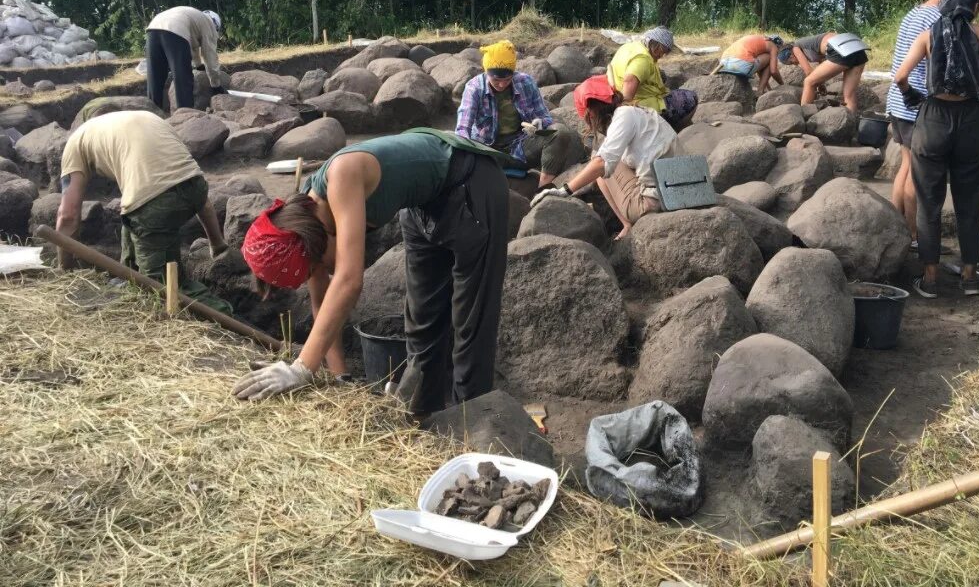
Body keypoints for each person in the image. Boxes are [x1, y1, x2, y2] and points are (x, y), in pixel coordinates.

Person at [233, 128, 510, 413]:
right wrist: (340, 379)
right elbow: (324, 305)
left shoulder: (341, 177)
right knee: (422, 322)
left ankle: (473, 423)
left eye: (315, 266)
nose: (323, 270)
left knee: (471, 320)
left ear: (314, 242)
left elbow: (349, 281)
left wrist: (302, 367)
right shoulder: (304, 219)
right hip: (422, 204)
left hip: (471, 182)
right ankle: (423, 416)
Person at [894, 0, 979, 299]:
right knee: (969, 203)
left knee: (929, 203)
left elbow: (900, 77)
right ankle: (969, 278)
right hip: (970, 121)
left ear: (943, 6)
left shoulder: (927, 36)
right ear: (975, 8)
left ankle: (930, 279)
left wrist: (913, 98)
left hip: (933, 119)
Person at [56, 110, 232, 312]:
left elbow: (68, 215)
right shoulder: (145, 119)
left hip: (153, 202)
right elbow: (195, 190)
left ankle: (226, 321)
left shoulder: (74, 144)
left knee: (161, 290)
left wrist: (65, 272)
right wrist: (217, 243)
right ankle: (128, 281)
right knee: (131, 220)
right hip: (196, 187)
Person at [886, 0, 979, 248]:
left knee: (905, 168)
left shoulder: (915, 12)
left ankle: (896, 231)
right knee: (918, 178)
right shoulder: (937, 19)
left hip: (897, 100)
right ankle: (916, 237)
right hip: (919, 104)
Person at [533, 76, 682, 239]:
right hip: (681, 192)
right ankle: (626, 224)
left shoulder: (623, 116)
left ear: (590, 112)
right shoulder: (639, 111)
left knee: (598, 159)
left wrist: (565, 190)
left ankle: (627, 223)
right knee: (602, 160)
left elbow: (602, 163)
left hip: (651, 203)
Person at [455, 39, 584, 189]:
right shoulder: (474, 88)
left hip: (520, 150)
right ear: (486, 72)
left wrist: (539, 123)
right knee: (455, 147)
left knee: (560, 132)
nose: (502, 84)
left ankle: (542, 191)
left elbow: (544, 117)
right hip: (488, 152)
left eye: (507, 79)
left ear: (513, 73)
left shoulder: (526, 82)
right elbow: (462, 129)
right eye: (496, 80)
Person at [607, 26, 698, 131]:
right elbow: (629, 80)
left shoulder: (631, 47)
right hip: (638, 104)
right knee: (690, 98)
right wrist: (624, 111)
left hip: (619, 89)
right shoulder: (643, 60)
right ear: (656, 46)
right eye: (663, 51)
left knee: (662, 76)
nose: (663, 55)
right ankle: (669, 127)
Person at [146, 6, 225, 111]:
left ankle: (153, 115)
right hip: (175, 30)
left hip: (153, 28)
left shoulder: (195, 18)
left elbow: (194, 47)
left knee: (155, 78)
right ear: (216, 26)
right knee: (183, 77)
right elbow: (209, 55)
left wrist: (198, 65)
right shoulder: (209, 24)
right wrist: (216, 85)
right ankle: (185, 116)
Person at [797, 33, 867, 113]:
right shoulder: (814, 44)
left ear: (789, 55)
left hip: (840, 49)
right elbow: (823, 65)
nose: (795, 64)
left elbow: (808, 71)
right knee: (849, 96)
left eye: (791, 62)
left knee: (808, 82)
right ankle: (851, 120)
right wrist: (820, 83)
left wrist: (816, 83)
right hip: (857, 47)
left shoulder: (795, 47)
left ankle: (804, 116)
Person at [718, 34, 785, 94]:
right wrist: (783, 85)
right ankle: (760, 92)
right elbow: (773, 71)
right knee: (770, 58)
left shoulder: (759, 40)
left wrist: (769, 88)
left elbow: (761, 69)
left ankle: (761, 90)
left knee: (763, 59)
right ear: (778, 46)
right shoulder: (773, 46)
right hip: (739, 63)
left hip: (723, 63)